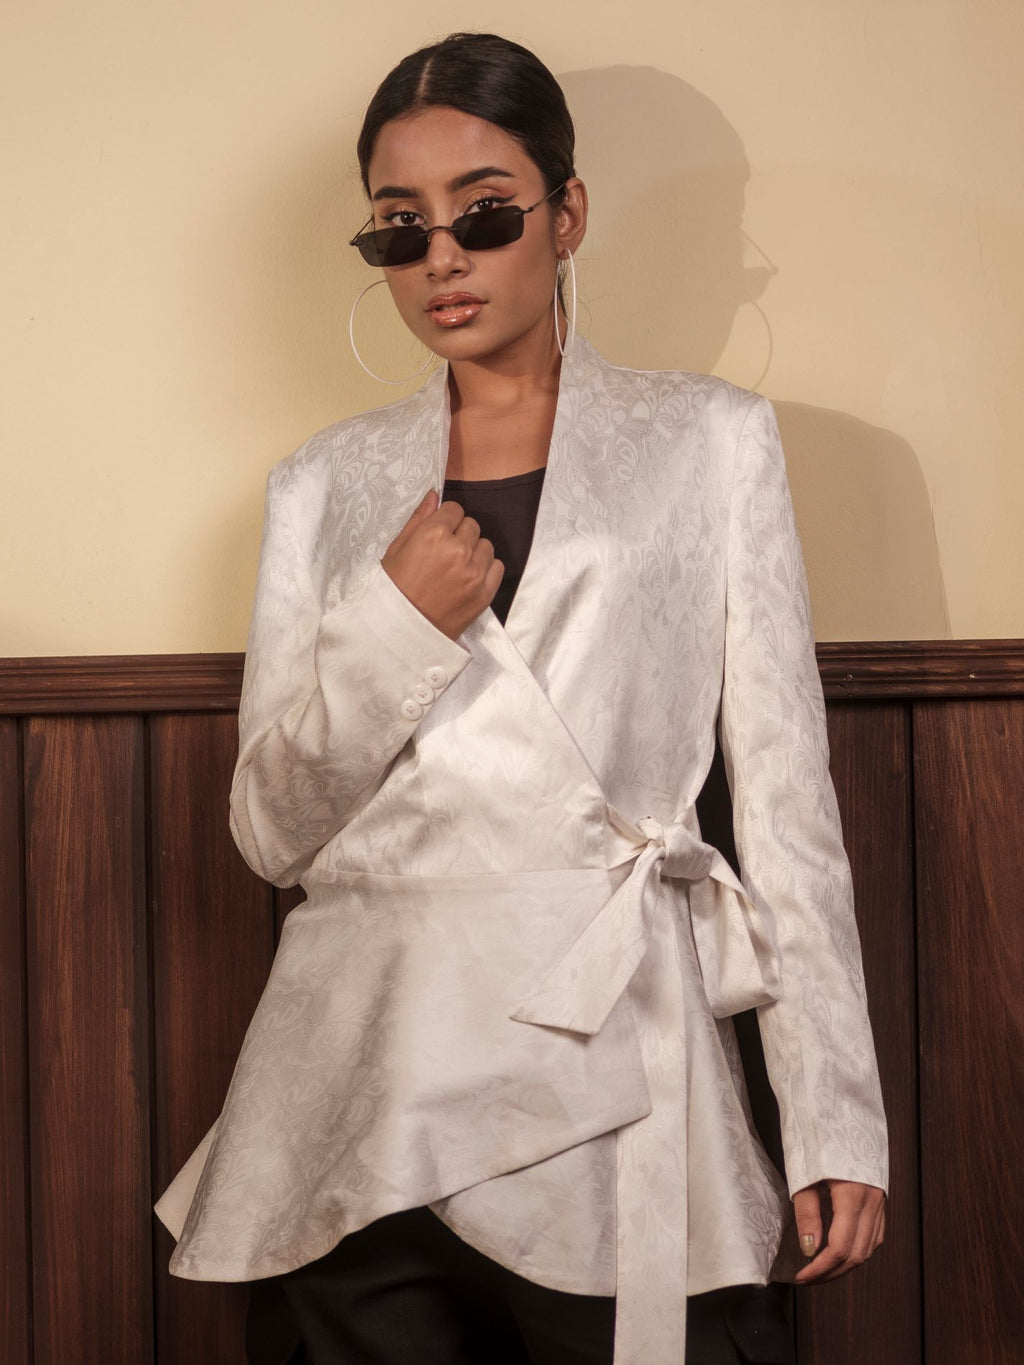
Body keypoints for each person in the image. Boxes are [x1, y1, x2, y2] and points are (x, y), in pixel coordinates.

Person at [155, 31, 888, 1365]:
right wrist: (395, 623)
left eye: (484, 212)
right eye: (401, 227)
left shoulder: (710, 441)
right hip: (359, 1076)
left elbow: (788, 805)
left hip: (606, 1057)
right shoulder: (320, 485)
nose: (443, 255)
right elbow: (269, 830)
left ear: (567, 215)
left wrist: (832, 1112)